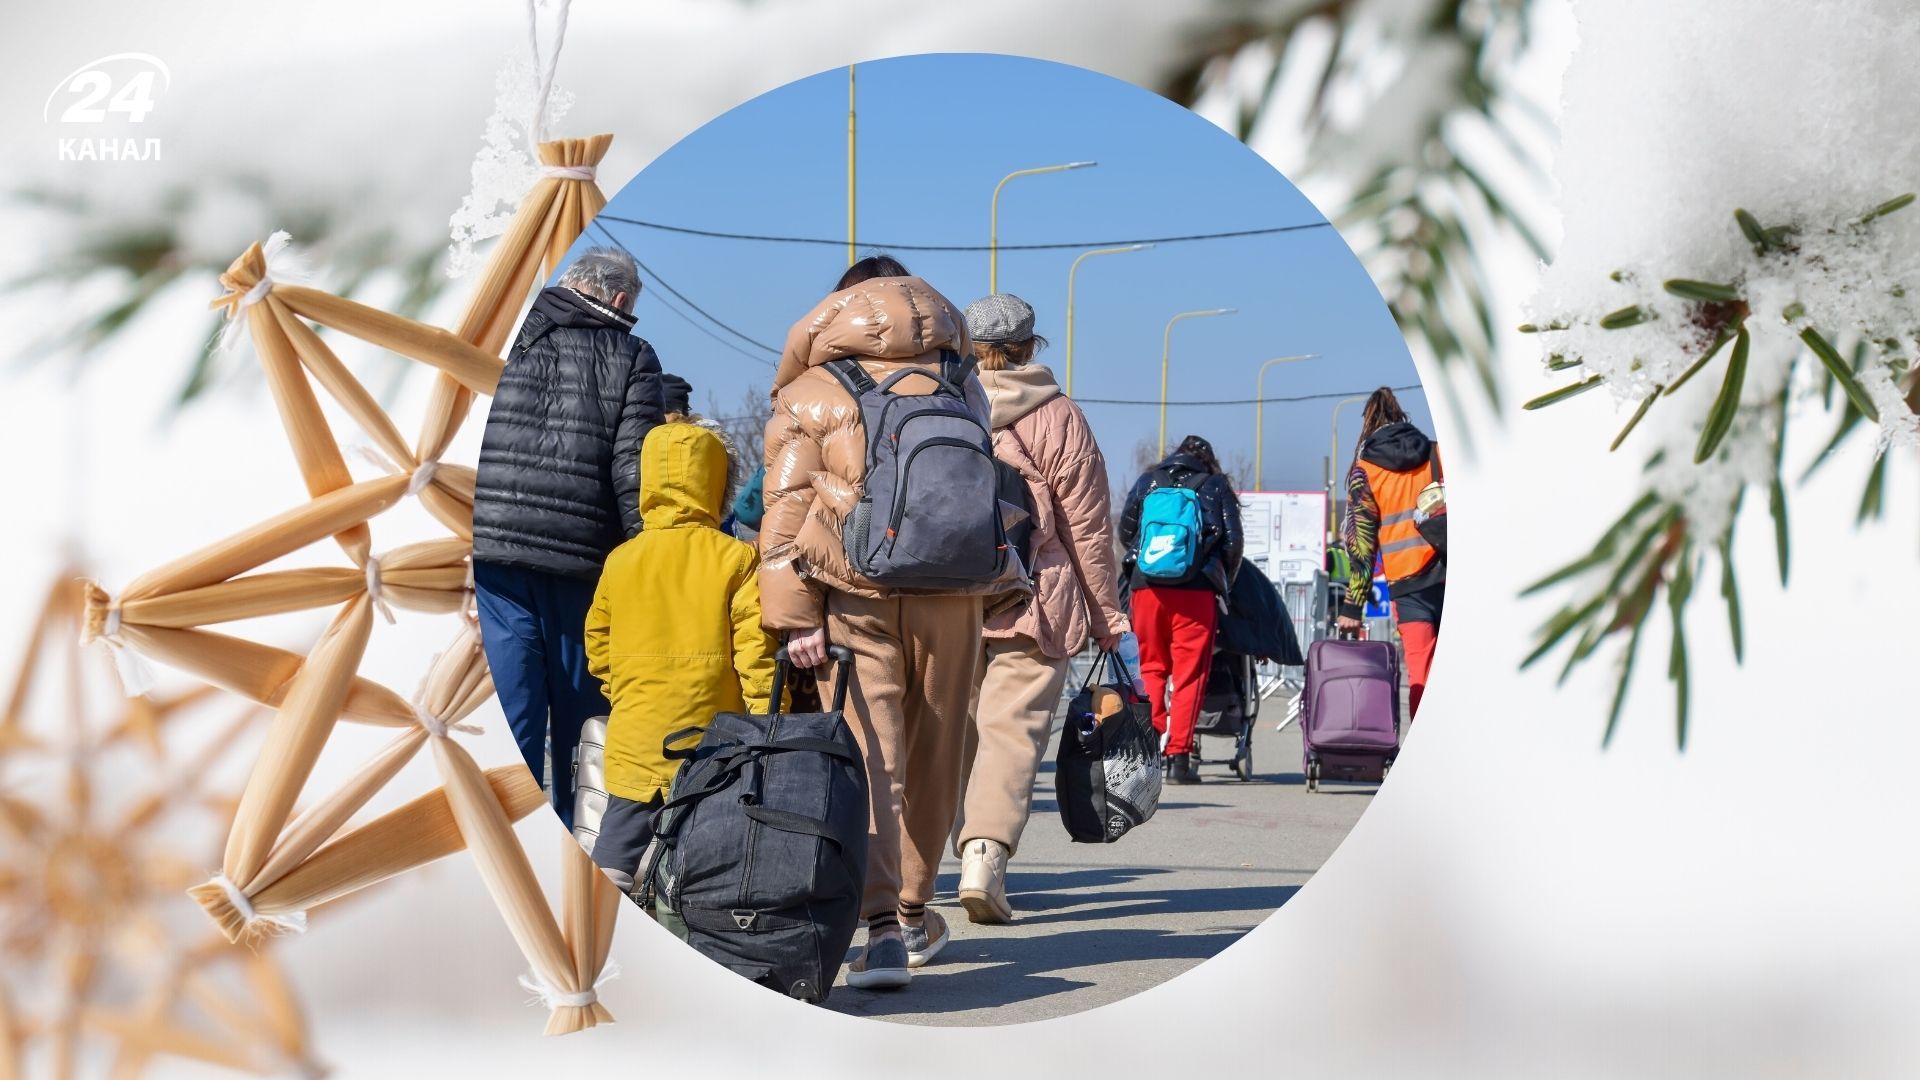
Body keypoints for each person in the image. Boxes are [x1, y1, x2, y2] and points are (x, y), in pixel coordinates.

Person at [758, 254, 1021, 990]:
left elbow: (785, 512)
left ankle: (878, 933)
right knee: (939, 757)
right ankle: (912, 910)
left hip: (857, 597)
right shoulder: (962, 381)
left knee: (871, 758)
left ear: (838, 310)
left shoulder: (813, 390)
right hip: (955, 594)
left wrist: (794, 620)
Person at [948, 293, 1128, 926]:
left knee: (950, 735)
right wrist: (1105, 615)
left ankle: (920, 872)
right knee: (1013, 733)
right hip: (1034, 595)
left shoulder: (942, 403)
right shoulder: (1060, 417)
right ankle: (984, 858)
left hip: (947, 597)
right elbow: (1088, 529)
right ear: (1031, 347)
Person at [471, 247, 666, 829]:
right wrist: (645, 568)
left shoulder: (509, 333)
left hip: (494, 549)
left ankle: (501, 838)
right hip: (581, 562)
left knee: (513, 714)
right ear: (621, 300)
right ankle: (577, 849)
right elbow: (635, 474)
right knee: (585, 724)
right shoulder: (632, 354)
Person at [583, 417, 777, 893]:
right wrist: (767, 723)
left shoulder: (621, 560)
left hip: (636, 736)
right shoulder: (735, 558)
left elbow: (597, 645)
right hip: (712, 742)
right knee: (709, 857)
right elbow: (756, 656)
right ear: (717, 484)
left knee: (615, 850)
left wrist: (623, 693)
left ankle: (601, 916)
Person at [1118, 435, 1243, 785]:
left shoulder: (1149, 480)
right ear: (1208, 460)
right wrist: (1222, 580)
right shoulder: (1215, 485)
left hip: (1147, 588)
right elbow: (1233, 542)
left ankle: (1148, 752)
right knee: (1189, 675)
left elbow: (1126, 531)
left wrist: (1152, 560)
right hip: (1196, 592)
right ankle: (1179, 759)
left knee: (1150, 668)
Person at [1337, 386, 1444, 716]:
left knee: (1421, 672)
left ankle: (1429, 743)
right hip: (1449, 572)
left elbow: (1361, 543)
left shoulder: (1366, 471)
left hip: (1408, 586)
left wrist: (1353, 606)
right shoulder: (1437, 453)